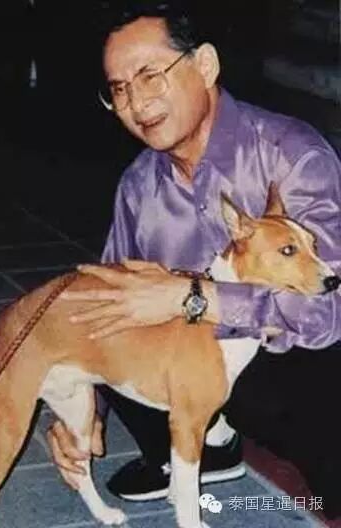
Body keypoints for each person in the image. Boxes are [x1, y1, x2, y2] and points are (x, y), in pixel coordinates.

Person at [46, 1, 341, 514]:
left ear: (205, 65)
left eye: (150, 75)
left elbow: (330, 310)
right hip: (186, 365)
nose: (137, 102)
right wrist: (83, 399)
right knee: (128, 312)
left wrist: (196, 297)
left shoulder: (293, 154)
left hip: (291, 359)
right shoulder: (138, 185)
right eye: (120, 89)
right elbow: (106, 301)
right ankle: (211, 444)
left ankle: (252, 440)